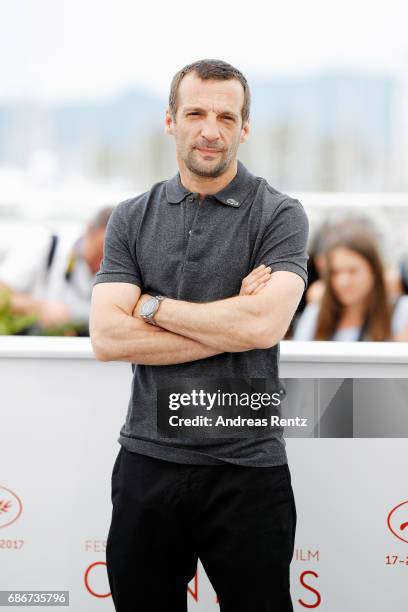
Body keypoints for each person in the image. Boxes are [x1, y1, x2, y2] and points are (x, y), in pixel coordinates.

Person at [90, 59, 309, 611]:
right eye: (195, 113)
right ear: (171, 120)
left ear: (245, 127)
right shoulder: (131, 217)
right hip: (147, 458)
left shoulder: (280, 214)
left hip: (248, 465)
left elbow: (264, 325)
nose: (210, 129)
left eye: (226, 116)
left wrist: (152, 305)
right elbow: (108, 338)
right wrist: (234, 318)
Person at [0, 206, 113, 334]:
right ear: (88, 230)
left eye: (112, 256)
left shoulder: (128, 268)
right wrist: (39, 307)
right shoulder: (44, 245)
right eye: (99, 252)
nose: (101, 262)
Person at [292, 225, 408, 341]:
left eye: (353, 271)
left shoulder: (400, 311)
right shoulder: (316, 313)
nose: (343, 282)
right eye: (335, 272)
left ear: (374, 271)